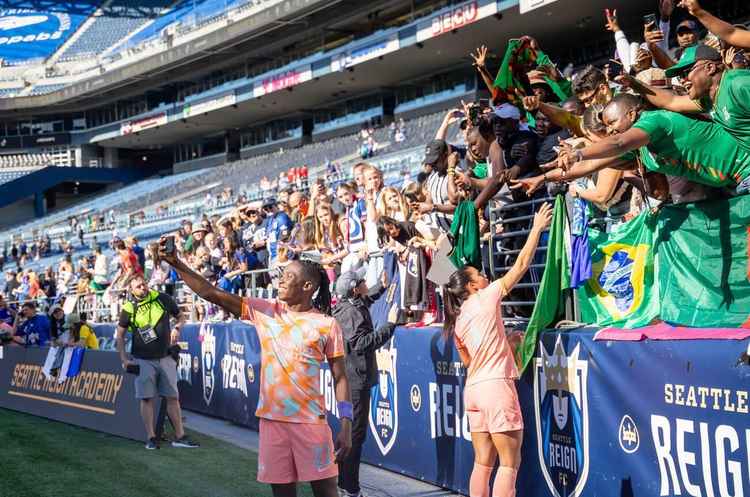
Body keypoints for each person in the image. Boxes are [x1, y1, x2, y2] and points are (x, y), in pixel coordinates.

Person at [159, 240, 352, 497]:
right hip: (272, 423)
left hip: (310, 424)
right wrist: (175, 263)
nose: (280, 280)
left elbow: (340, 378)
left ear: (308, 286)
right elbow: (210, 293)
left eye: (288, 276)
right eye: (281, 275)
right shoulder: (265, 311)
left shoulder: (327, 325)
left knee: (327, 493)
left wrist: (346, 425)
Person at [443, 203, 552, 497]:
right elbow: (521, 267)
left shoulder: (459, 318)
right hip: (495, 388)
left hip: (474, 390)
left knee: (483, 463)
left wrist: (508, 342)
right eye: (478, 274)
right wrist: (537, 228)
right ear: (471, 286)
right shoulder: (486, 297)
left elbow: (470, 361)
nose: (484, 276)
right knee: (509, 463)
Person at [332, 270, 398, 497]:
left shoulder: (348, 304)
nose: (365, 284)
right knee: (354, 436)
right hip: (355, 381)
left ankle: (343, 485)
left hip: (352, 379)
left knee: (351, 435)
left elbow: (365, 300)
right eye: (362, 282)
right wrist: (390, 324)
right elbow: (362, 343)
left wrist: (380, 287)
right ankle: (349, 488)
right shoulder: (350, 312)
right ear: (353, 288)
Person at [115, 275, 198, 450]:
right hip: (143, 360)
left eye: (144, 284)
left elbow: (181, 317)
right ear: (131, 290)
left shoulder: (163, 298)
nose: (142, 288)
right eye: (138, 286)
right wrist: (123, 358)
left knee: (172, 397)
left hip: (166, 357)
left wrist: (177, 327)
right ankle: (151, 437)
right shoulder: (129, 308)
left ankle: (180, 436)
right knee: (146, 399)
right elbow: (120, 335)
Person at [624, 44, 750, 151]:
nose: (683, 80)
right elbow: (670, 101)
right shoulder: (707, 99)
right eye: (679, 76)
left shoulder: (739, 85)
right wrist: (633, 82)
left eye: (686, 72)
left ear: (710, 68)